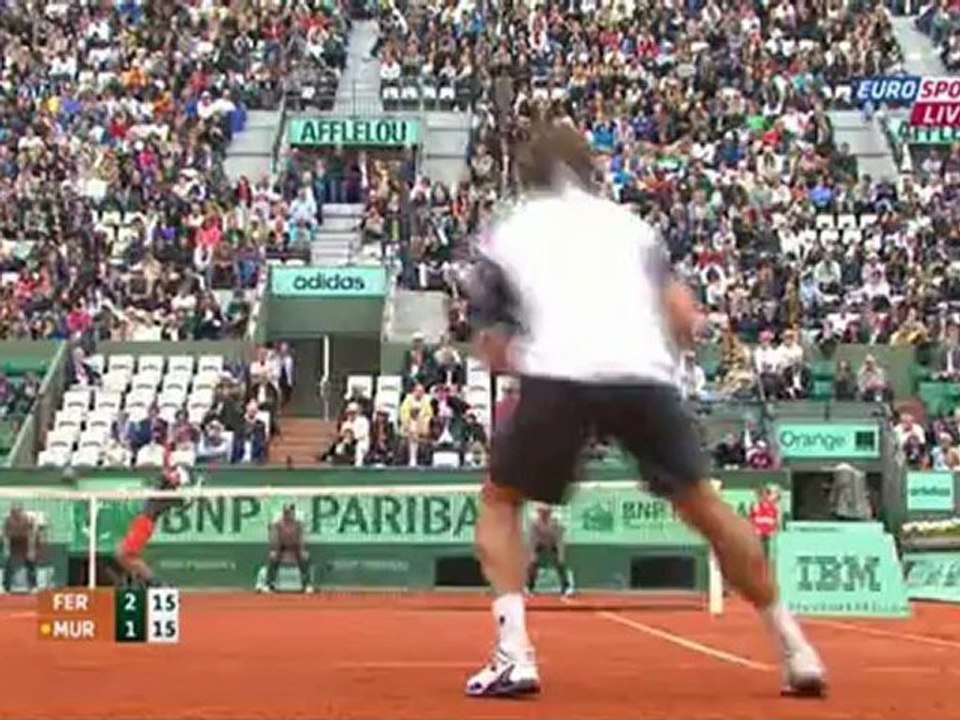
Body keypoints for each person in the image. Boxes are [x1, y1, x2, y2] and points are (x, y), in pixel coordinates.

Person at [463, 122, 826, 699]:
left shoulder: (509, 230)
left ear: (527, 175)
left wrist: (515, 360)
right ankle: (796, 649)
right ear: (590, 170)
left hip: (560, 372)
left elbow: (491, 342)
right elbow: (683, 315)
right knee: (704, 505)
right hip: (643, 373)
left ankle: (515, 654)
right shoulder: (633, 228)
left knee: (500, 500)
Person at [115, 462, 195, 587]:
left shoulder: (170, 491)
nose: (172, 473)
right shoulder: (164, 485)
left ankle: (158, 584)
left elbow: (164, 475)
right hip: (141, 521)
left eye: (176, 474)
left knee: (125, 555)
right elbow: (163, 474)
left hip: (145, 523)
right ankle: (142, 581)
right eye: (174, 472)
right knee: (122, 554)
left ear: (178, 480)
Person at [263, 503, 314, 593]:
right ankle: (269, 584)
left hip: (295, 546)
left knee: (305, 558)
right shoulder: (278, 524)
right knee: (272, 558)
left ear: (293, 513)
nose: (287, 515)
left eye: (289, 512)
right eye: (285, 512)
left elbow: (301, 538)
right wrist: (274, 551)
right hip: (281, 546)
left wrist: (302, 550)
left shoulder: (299, 524)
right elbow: (275, 538)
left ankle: (307, 584)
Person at [525, 504, 572, 597]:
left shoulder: (556, 523)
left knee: (560, 563)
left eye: (546, 512)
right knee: (533, 562)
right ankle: (529, 587)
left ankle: (566, 587)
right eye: (541, 512)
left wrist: (560, 556)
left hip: (554, 542)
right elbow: (533, 541)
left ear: (550, 512)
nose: (543, 514)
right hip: (540, 542)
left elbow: (559, 540)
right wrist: (532, 555)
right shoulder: (534, 524)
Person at [3, 504, 39, 593]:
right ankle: (6, 586)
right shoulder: (8, 521)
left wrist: (31, 550)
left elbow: (32, 536)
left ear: (21, 512)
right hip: (14, 541)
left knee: (31, 563)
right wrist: (6, 549)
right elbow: (6, 537)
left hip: (25, 541)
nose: (15, 515)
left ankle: (33, 585)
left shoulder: (29, 520)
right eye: (13, 513)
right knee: (8, 563)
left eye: (17, 513)